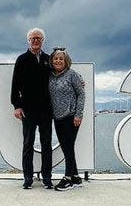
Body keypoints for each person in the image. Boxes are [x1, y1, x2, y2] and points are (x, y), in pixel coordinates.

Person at [11, 28, 53, 189]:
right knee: (28, 143)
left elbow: (61, 74)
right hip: (28, 110)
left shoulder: (48, 59)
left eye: (38, 38)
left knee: (46, 144)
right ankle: (27, 178)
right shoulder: (22, 59)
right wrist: (17, 106)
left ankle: (47, 177)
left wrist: (79, 81)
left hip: (46, 109)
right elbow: (15, 85)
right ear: (28, 40)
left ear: (43, 40)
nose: (35, 40)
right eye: (33, 38)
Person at [48, 47, 85, 191]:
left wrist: (78, 115)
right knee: (66, 148)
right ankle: (76, 177)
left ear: (66, 61)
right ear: (52, 61)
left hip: (71, 117)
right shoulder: (50, 76)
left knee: (68, 148)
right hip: (57, 117)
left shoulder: (72, 74)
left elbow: (81, 95)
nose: (58, 61)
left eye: (61, 58)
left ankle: (68, 178)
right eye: (55, 58)